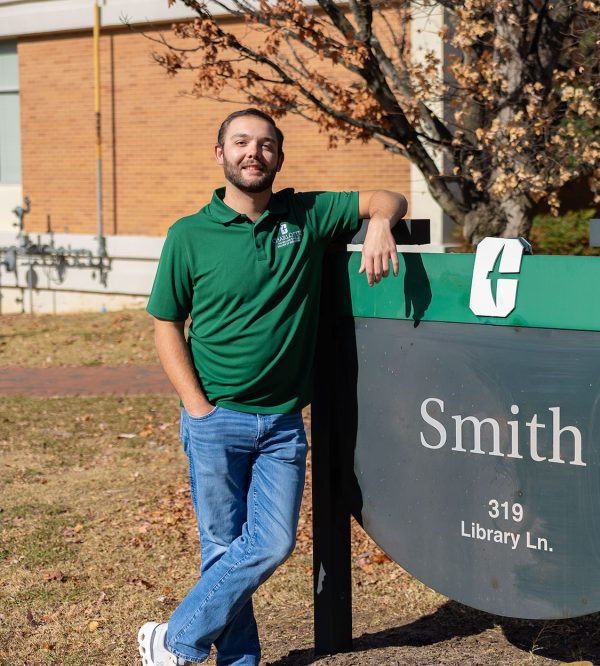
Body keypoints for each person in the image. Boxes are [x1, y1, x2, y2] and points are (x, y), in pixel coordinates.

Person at [137, 108, 407, 666]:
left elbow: (387, 196)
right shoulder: (188, 235)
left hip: (282, 423)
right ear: (220, 154)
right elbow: (166, 323)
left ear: (279, 158)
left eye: (265, 144)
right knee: (222, 550)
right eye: (240, 142)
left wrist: (380, 223)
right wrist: (198, 407)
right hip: (215, 418)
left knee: (271, 543)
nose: (252, 152)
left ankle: (175, 639)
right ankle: (237, 660)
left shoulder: (304, 214)